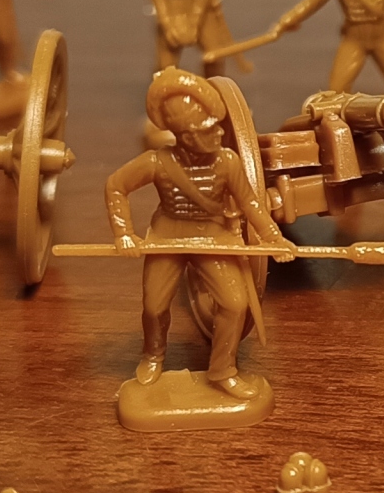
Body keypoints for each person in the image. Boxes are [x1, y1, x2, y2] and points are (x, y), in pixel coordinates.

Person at [102, 70, 288, 397]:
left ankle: (223, 370)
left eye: (217, 124)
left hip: (213, 237)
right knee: (154, 306)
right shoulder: (157, 162)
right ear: (186, 136)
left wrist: (273, 238)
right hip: (166, 238)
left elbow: (251, 203)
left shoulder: (228, 162)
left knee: (234, 303)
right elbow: (116, 186)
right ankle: (153, 356)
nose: (219, 132)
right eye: (208, 129)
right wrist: (124, 233)